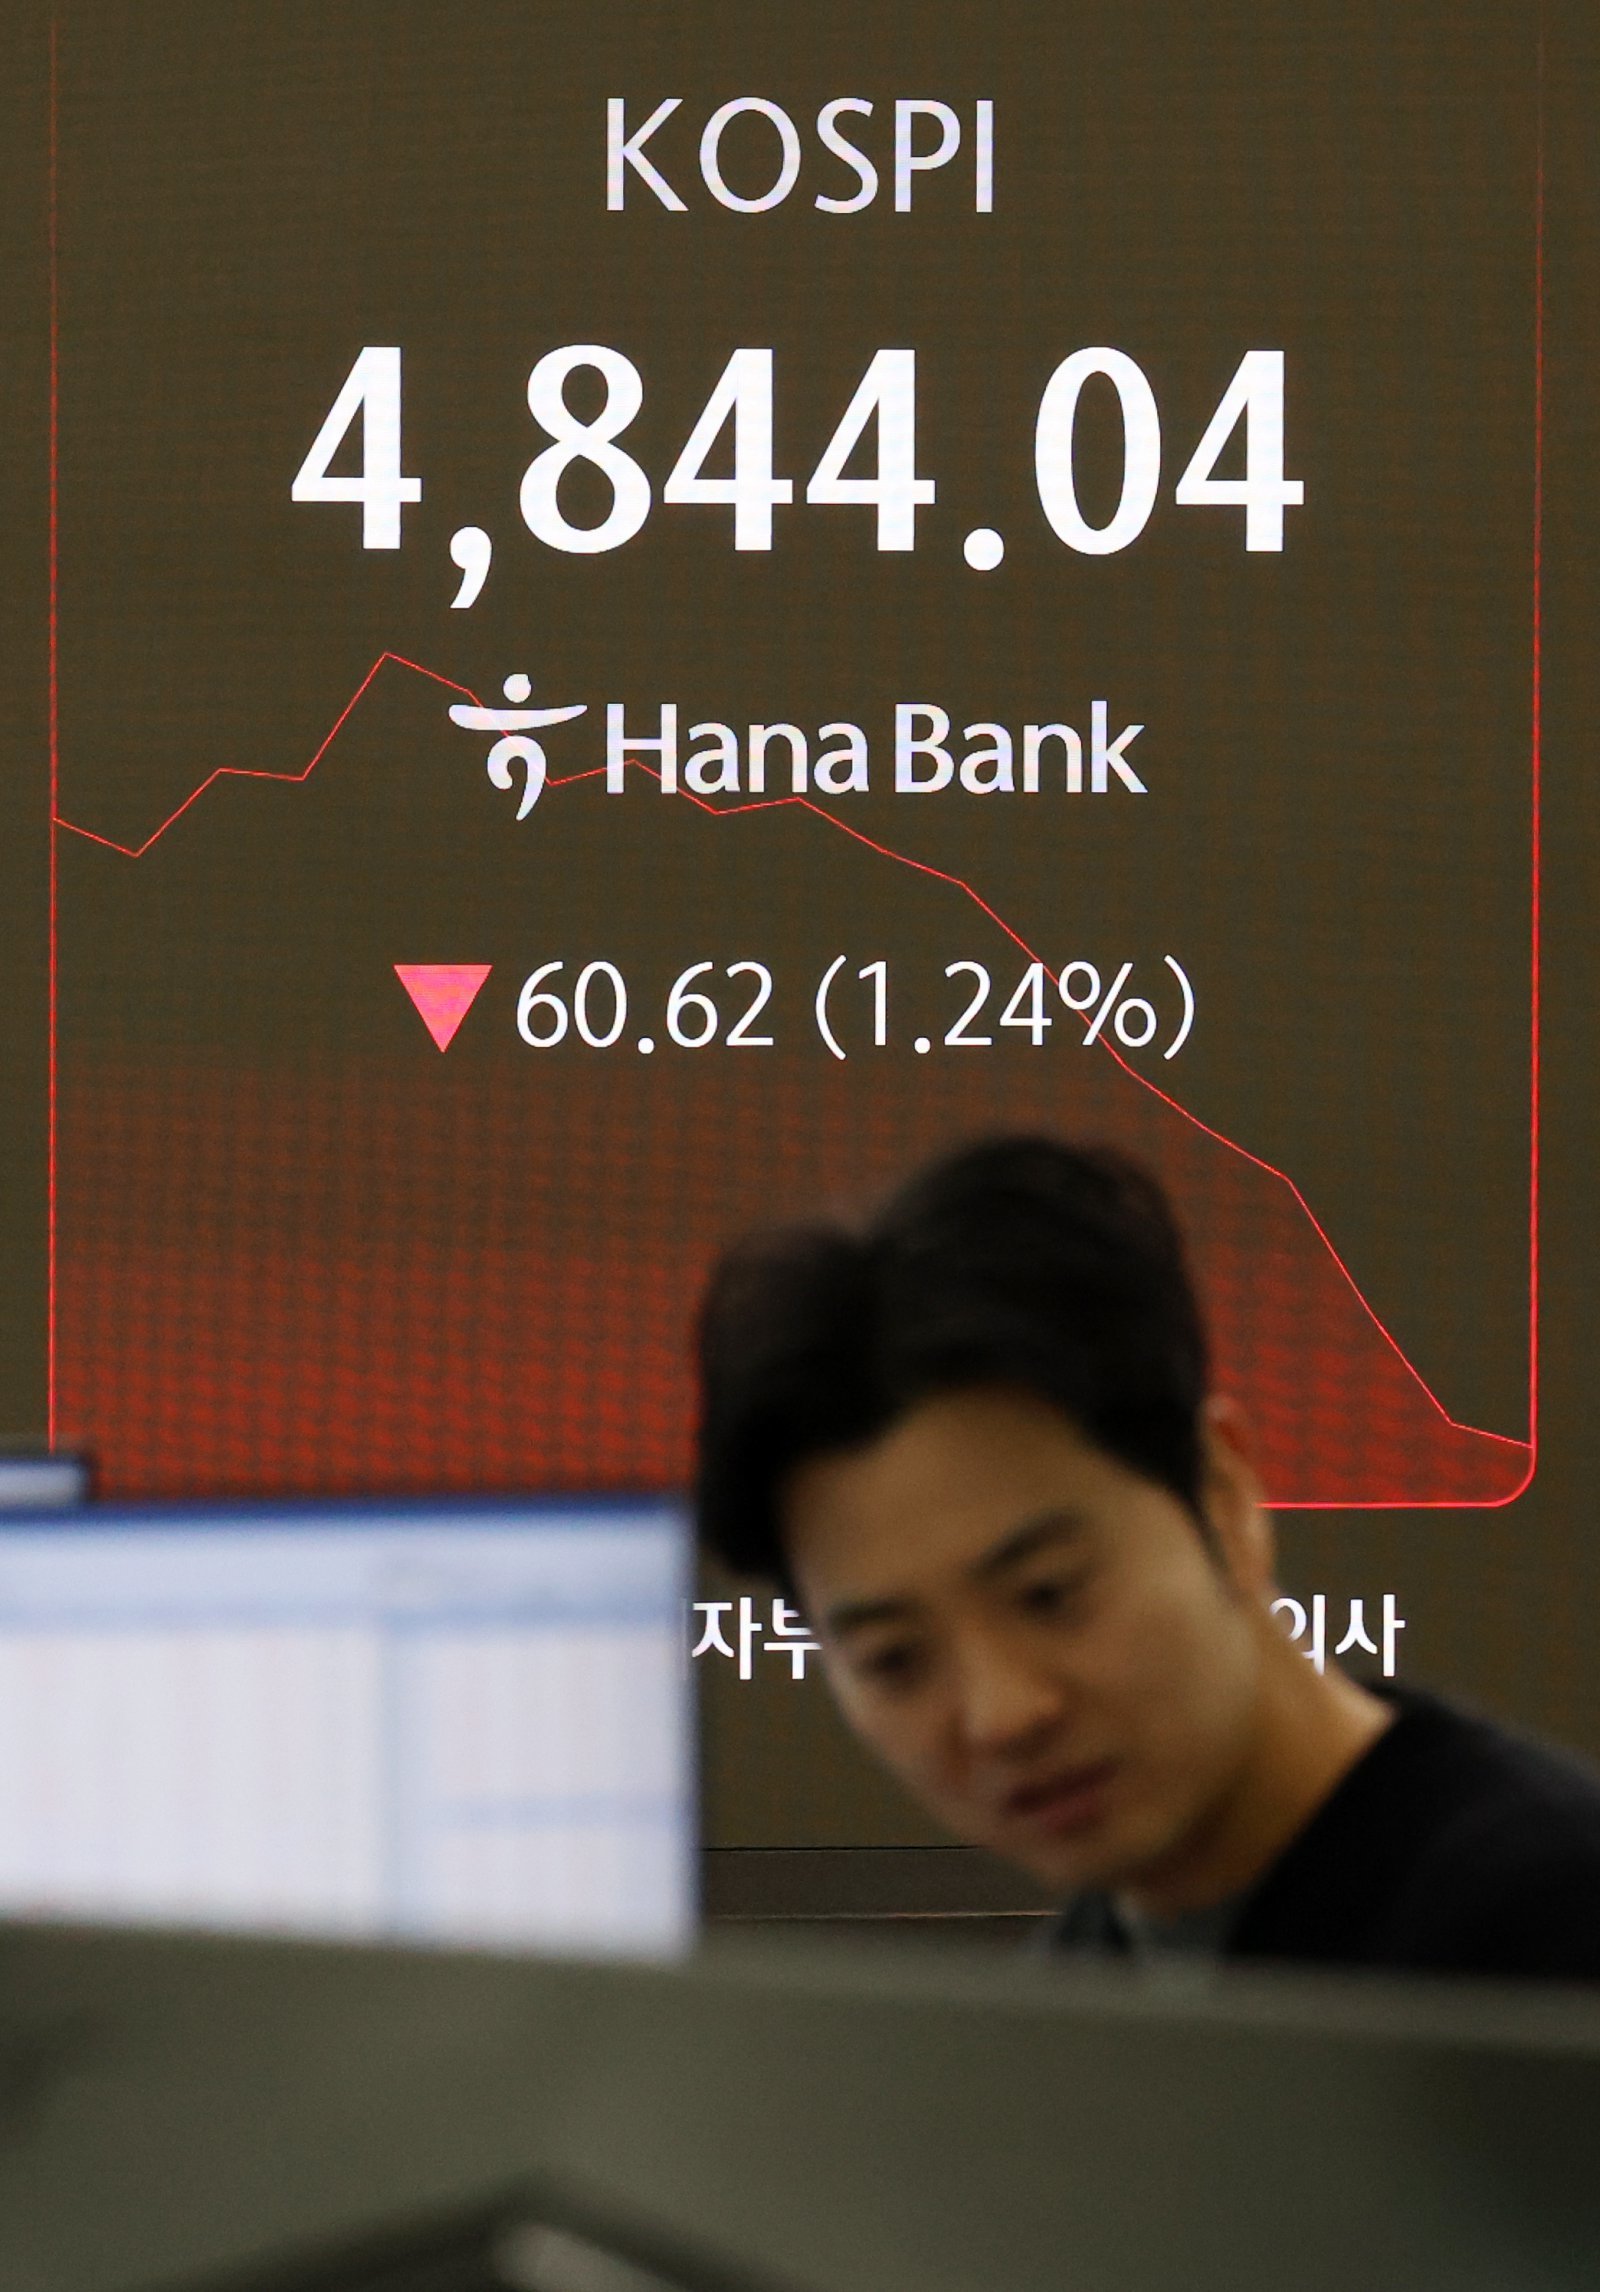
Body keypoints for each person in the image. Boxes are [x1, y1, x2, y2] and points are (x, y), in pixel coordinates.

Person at [694, 1135, 1600, 1979]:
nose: (1004, 1715)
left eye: (1049, 1594)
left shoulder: (1546, 1938)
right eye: (895, 1660)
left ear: (1223, 1495)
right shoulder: (1060, 2016)